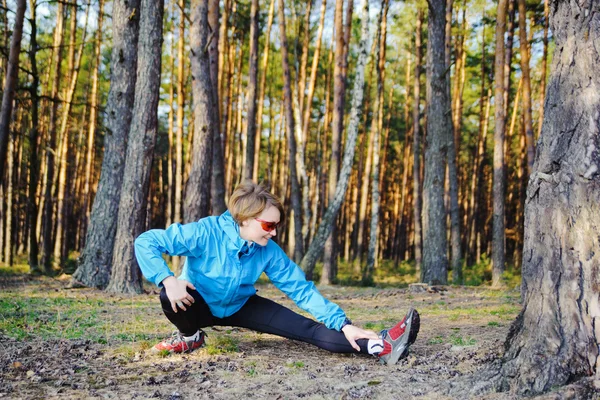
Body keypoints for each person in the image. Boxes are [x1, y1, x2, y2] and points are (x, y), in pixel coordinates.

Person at [134, 181, 419, 365]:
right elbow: (146, 241)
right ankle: (189, 337)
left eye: (277, 226)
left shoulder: (268, 251)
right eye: (268, 225)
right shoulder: (205, 233)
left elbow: (301, 289)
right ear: (244, 219)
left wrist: (343, 323)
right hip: (200, 303)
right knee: (165, 295)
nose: (274, 232)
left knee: (308, 330)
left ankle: (381, 345)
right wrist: (168, 279)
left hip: (241, 305)